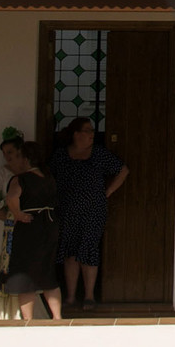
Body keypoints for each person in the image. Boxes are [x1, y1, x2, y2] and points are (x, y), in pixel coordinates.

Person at [52, 117, 128, 310]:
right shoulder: (61, 156)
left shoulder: (98, 154)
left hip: (93, 210)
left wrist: (107, 192)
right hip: (68, 210)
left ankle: (88, 296)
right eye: (87, 130)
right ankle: (70, 297)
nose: (92, 134)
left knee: (89, 250)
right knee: (70, 252)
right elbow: (49, 177)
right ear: (76, 134)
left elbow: (123, 170)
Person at [1, 136, 63, 322]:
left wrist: (18, 214)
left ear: (25, 158)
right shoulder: (49, 177)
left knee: (25, 274)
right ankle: (58, 317)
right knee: (47, 272)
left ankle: (27, 320)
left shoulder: (21, 179)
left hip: (30, 228)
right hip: (50, 226)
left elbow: (12, 198)